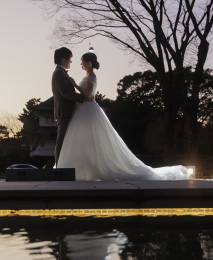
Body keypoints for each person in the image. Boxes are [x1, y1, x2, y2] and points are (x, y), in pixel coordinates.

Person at [56, 51, 189, 181]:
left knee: (92, 140)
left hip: (88, 111)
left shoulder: (91, 77)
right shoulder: (87, 77)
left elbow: (89, 95)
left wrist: (75, 85)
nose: (81, 64)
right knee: (83, 141)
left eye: (82, 62)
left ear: (89, 63)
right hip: (82, 110)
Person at [52, 47, 86, 165]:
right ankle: (59, 166)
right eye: (69, 59)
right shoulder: (58, 73)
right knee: (61, 140)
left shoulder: (61, 73)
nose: (70, 62)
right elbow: (64, 92)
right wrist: (83, 98)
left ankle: (62, 165)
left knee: (66, 140)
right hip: (64, 112)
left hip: (67, 111)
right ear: (63, 59)